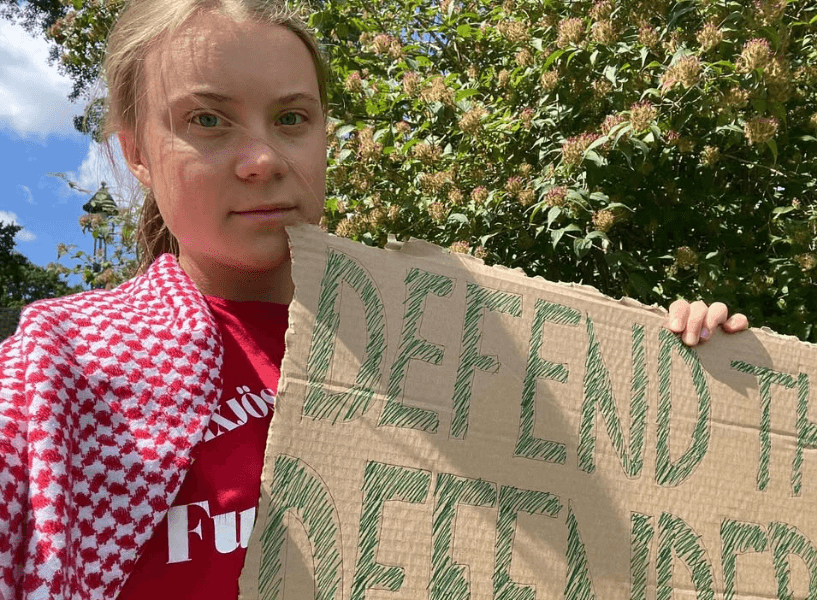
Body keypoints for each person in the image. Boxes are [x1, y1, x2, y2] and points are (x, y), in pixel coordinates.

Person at [0, 0, 748, 598]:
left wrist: (684, 379)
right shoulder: (52, 372)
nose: (263, 159)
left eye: (293, 118)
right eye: (207, 120)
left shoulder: (454, 341)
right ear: (135, 153)